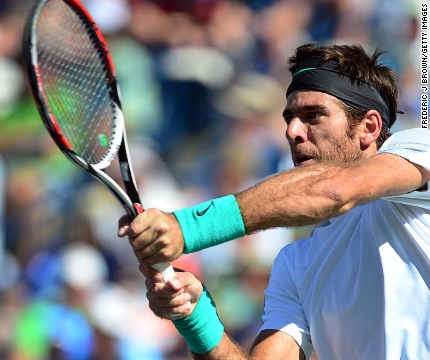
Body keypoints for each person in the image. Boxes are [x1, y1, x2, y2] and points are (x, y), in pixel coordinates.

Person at [118, 43, 430, 359]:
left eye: (313, 115)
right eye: (289, 117)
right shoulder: (296, 263)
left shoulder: (420, 146)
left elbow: (333, 188)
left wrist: (185, 228)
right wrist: (195, 316)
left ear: (369, 127)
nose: (293, 131)